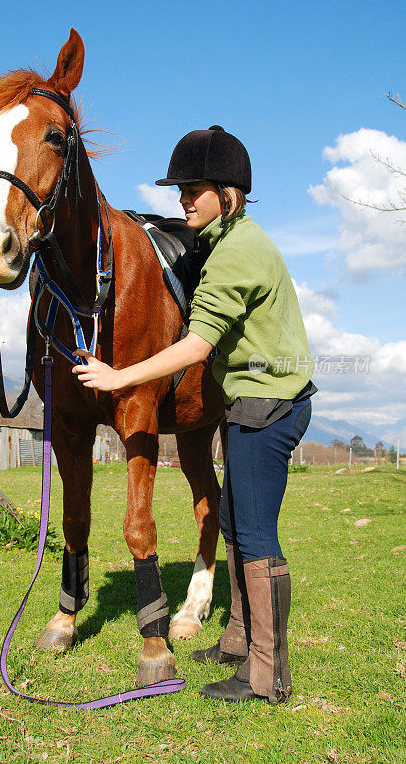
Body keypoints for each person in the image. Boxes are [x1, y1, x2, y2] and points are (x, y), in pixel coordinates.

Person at [72, 125, 316, 704]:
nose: (184, 198)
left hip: (267, 404)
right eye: (180, 188)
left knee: (255, 534)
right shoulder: (230, 238)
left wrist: (118, 377)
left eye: (195, 188)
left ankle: (267, 675)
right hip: (251, 397)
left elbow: (196, 346)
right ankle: (236, 639)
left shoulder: (238, 253)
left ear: (228, 191)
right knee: (232, 523)